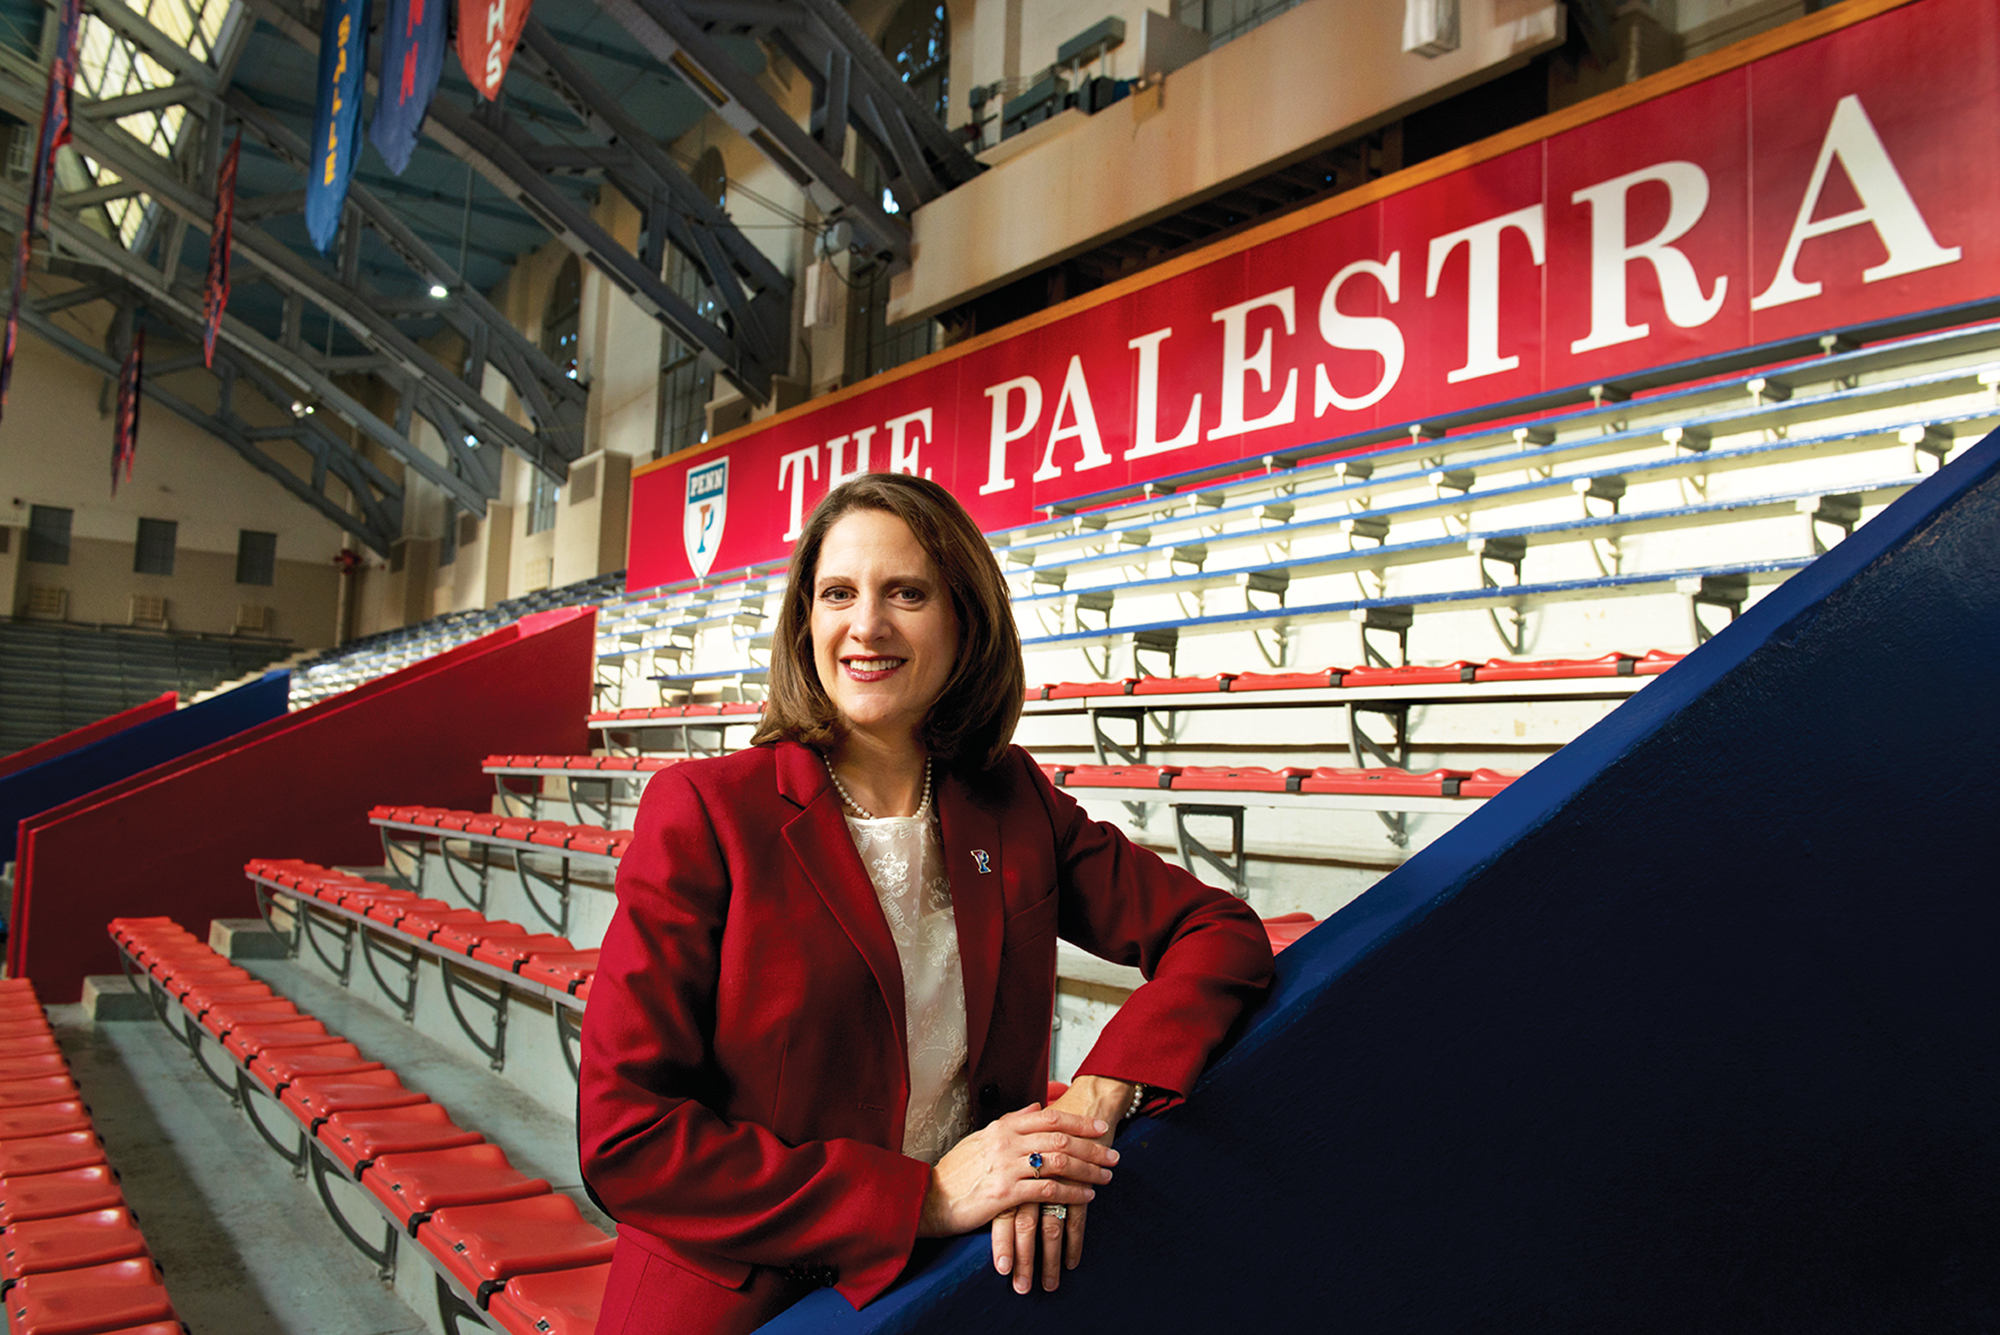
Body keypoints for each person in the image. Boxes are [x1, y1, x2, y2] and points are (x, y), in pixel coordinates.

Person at [579, 472, 1275, 1334]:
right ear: (807, 622)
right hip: (742, 1306)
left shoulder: (1011, 801)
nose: (865, 625)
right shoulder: (708, 810)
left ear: (962, 620)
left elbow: (1215, 931)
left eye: (905, 593)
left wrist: (1099, 1094)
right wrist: (921, 1196)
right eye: (838, 593)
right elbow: (626, 1139)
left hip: (951, 1294)